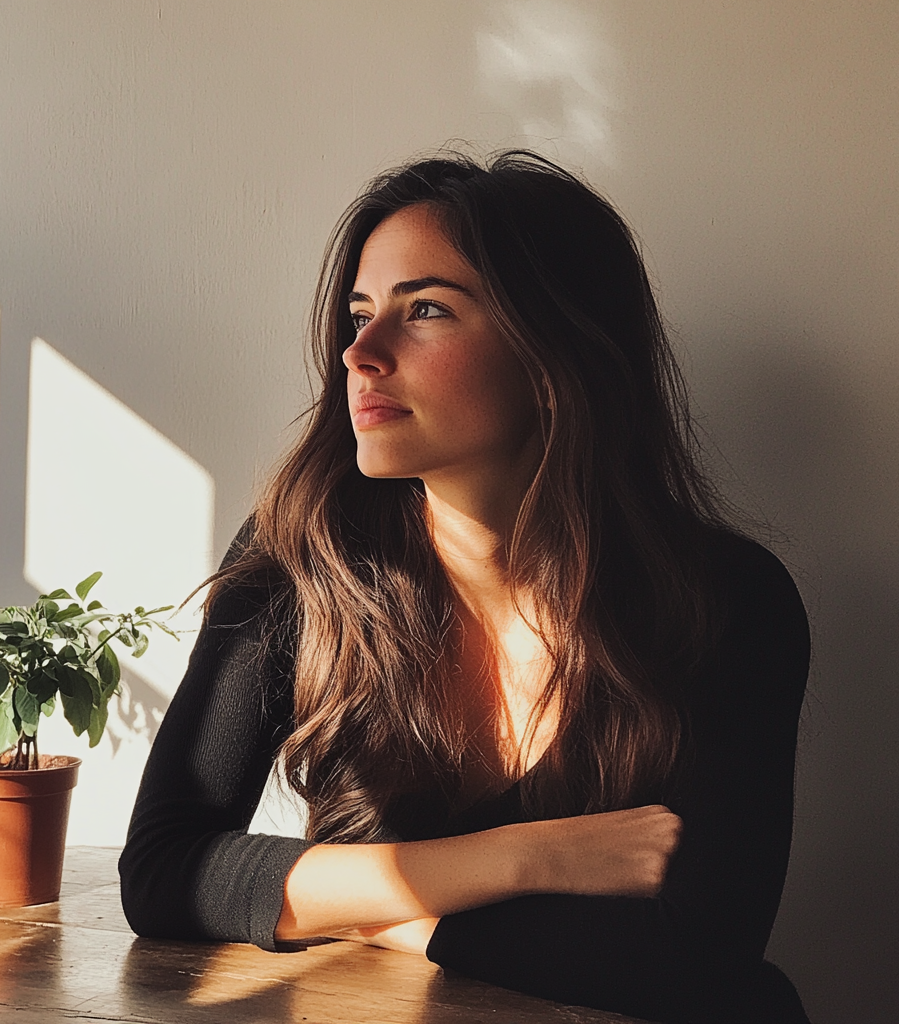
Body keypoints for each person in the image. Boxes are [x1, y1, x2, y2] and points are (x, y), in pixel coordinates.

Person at [119, 151, 810, 1023]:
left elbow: (697, 959)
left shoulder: (724, 600)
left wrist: (376, 914)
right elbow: (165, 873)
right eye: (361, 313)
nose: (361, 353)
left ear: (553, 354)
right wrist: (528, 859)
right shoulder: (303, 557)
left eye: (427, 310)